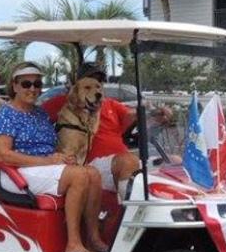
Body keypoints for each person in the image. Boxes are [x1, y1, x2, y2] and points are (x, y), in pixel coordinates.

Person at [0, 62, 108, 252]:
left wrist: (62, 158)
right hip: (16, 172)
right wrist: (47, 161)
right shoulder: (7, 114)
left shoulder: (40, 113)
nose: (33, 89)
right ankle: (73, 245)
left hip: (42, 168)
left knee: (93, 174)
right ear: (15, 86)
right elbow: (3, 155)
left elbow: (53, 144)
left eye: (37, 84)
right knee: (79, 175)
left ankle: (93, 239)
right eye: (26, 84)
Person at [43, 63, 171, 197]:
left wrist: (157, 115)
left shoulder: (111, 104)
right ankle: (129, 210)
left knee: (173, 162)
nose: (95, 87)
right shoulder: (66, 102)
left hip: (121, 163)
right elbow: (35, 118)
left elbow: (131, 117)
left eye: (98, 82)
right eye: (88, 83)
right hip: (92, 165)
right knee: (127, 161)